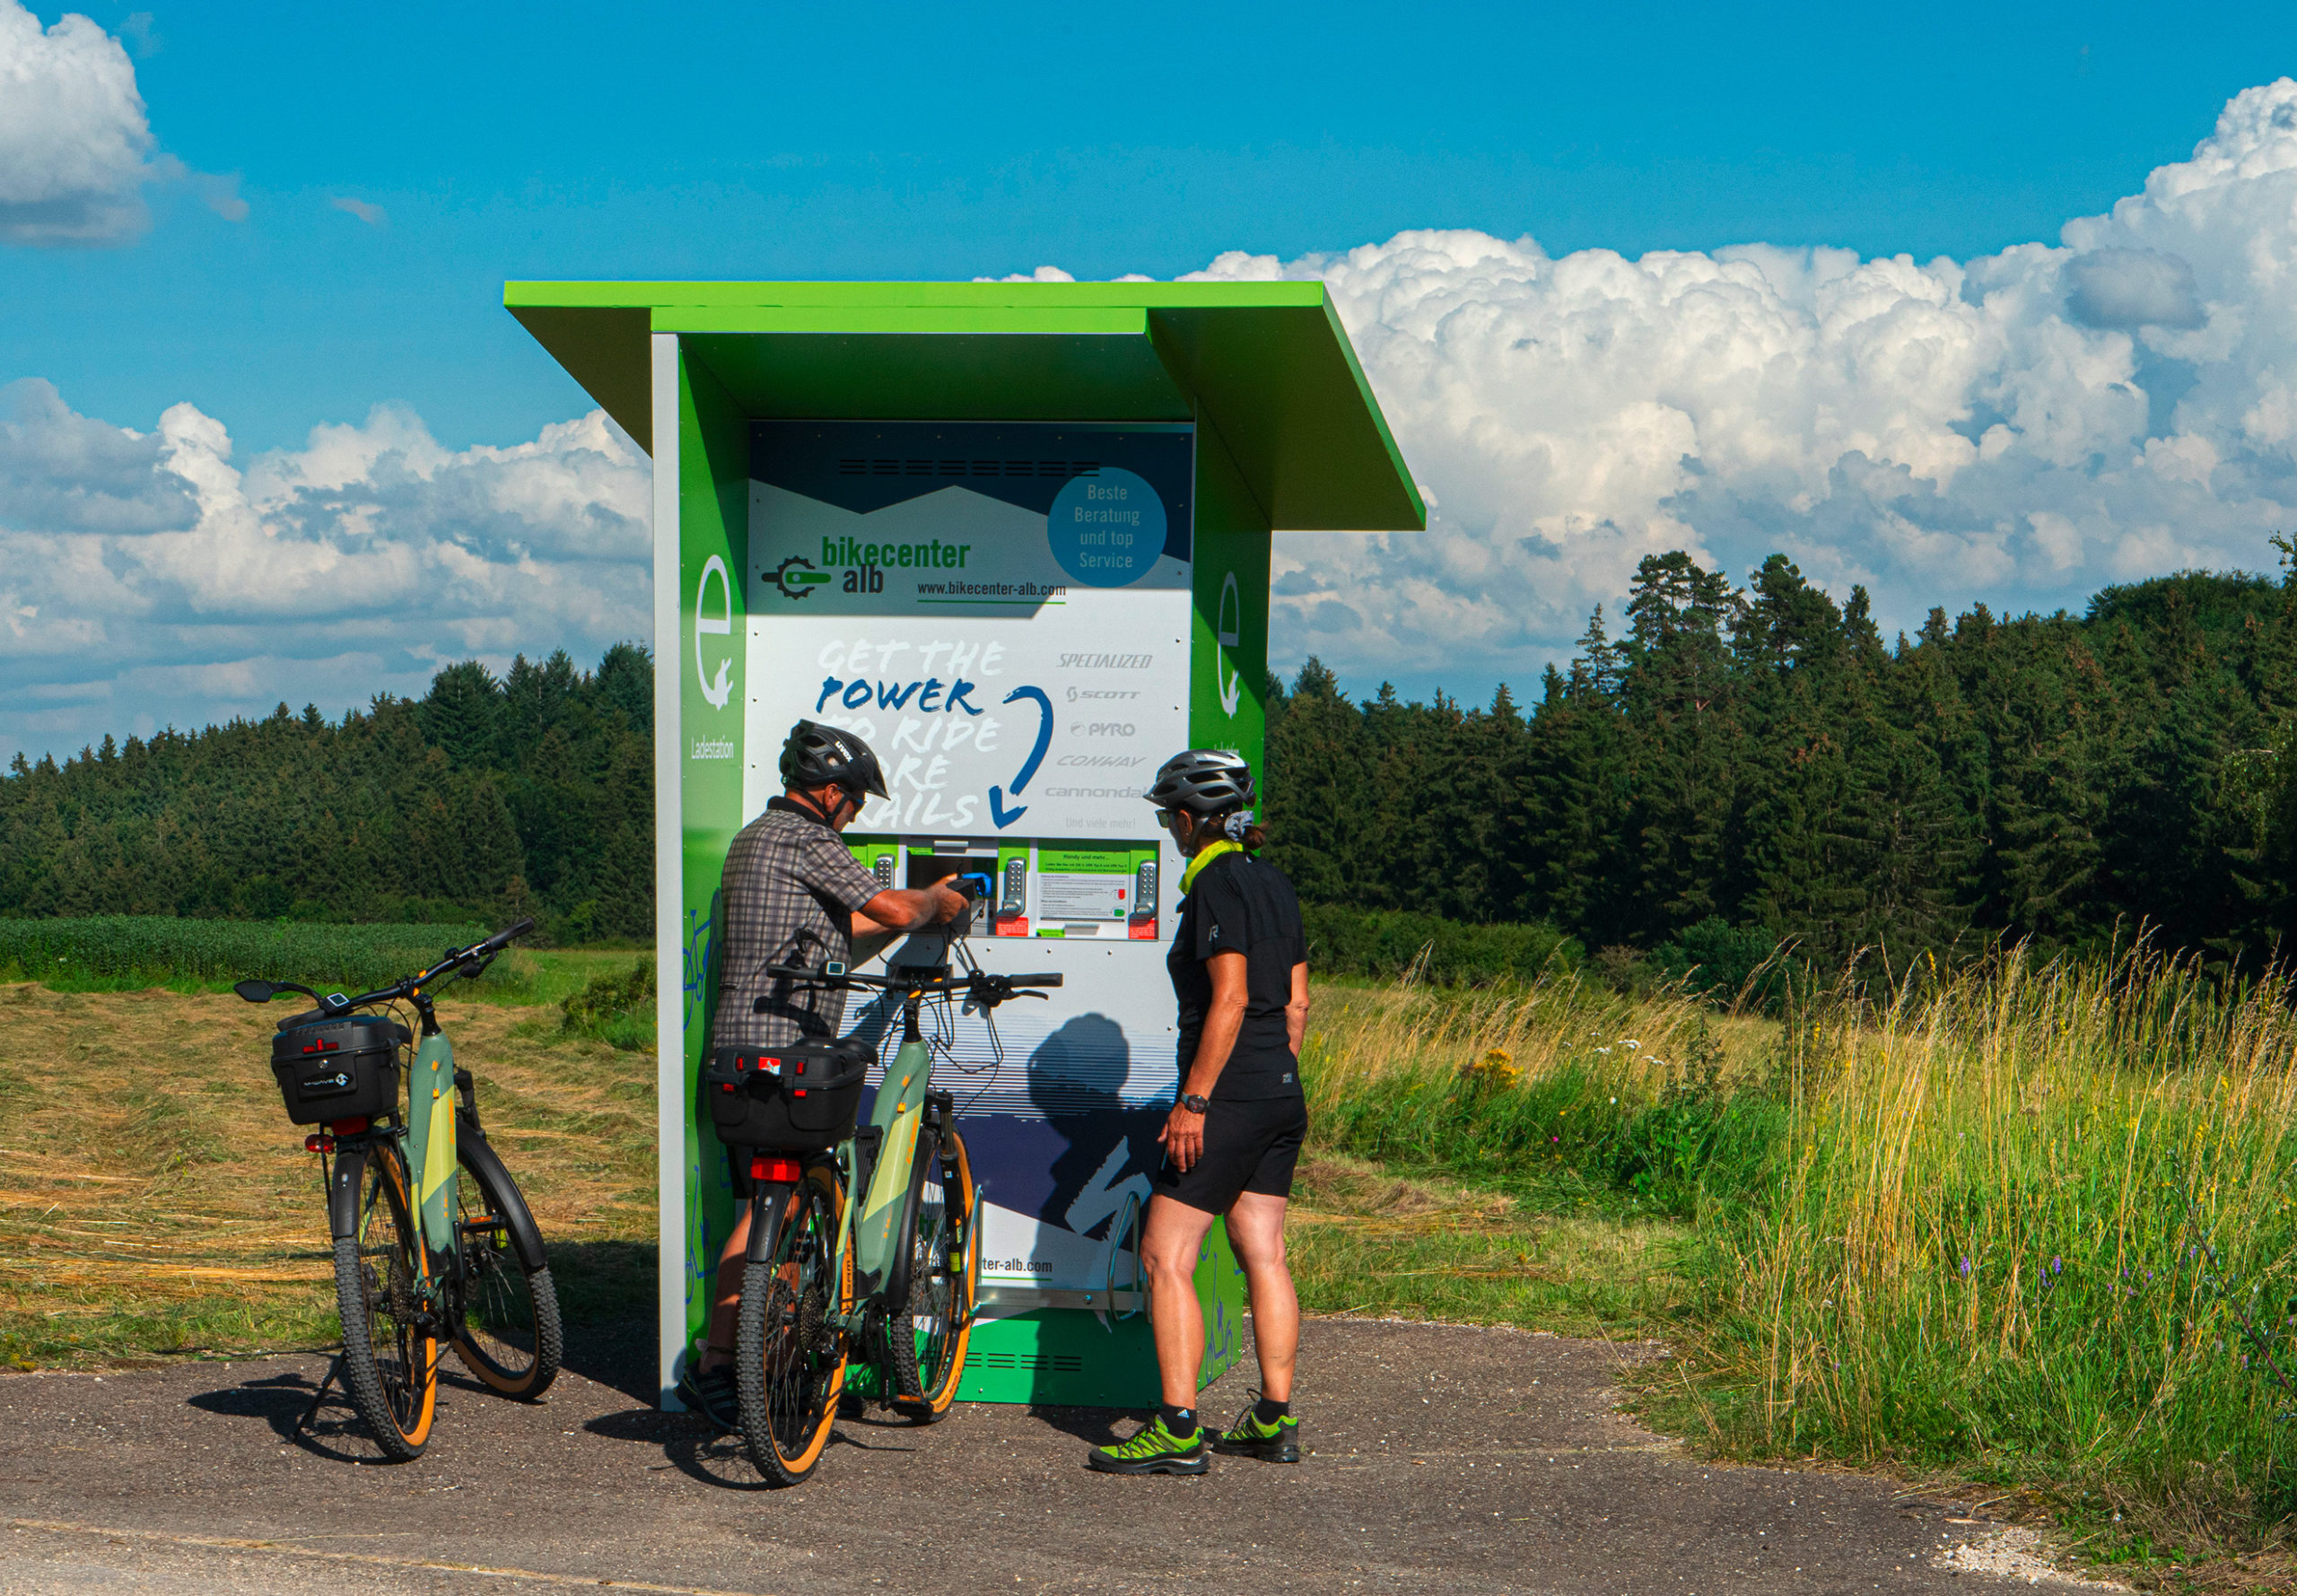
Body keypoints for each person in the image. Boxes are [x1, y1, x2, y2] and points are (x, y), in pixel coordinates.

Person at [678, 720, 966, 1426]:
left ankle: (752, 1367)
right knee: (781, 1211)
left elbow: (845, 937)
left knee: (773, 1208)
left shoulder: (756, 837)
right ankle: (739, 1365)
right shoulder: (810, 838)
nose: (855, 814)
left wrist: (902, 920)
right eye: (856, 801)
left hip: (739, 1052)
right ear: (832, 791)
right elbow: (891, 906)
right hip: (791, 1054)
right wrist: (936, 903)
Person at [1088, 749, 1310, 1476]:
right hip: (1280, 1089)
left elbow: (1231, 997)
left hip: (1228, 1095)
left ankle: (1178, 1427)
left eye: (1167, 819)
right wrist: (1273, 1076)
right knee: (1264, 1252)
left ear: (1189, 820)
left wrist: (1196, 1101)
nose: (1168, 831)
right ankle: (1274, 1418)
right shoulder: (1273, 881)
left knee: (1165, 1254)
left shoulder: (1214, 883)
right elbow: (1297, 1003)